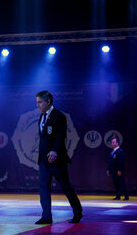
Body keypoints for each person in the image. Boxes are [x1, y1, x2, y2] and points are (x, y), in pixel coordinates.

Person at [35, 90, 83, 224]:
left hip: (57, 160)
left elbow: (61, 136)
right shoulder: (42, 116)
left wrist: (55, 151)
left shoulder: (59, 116)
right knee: (43, 187)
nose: (37, 105)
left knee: (65, 186)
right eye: (37, 102)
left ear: (48, 101)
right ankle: (46, 216)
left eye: (40, 102)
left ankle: (78, 212)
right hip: (44, 161)